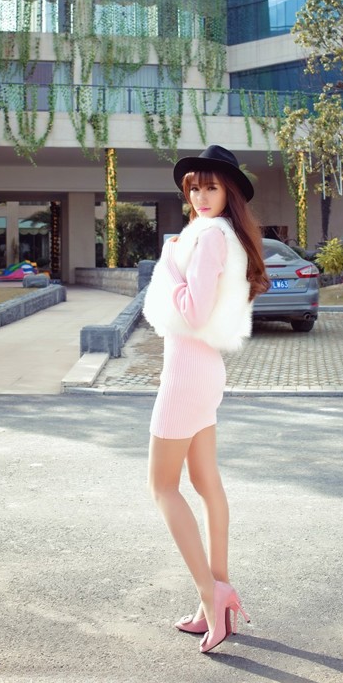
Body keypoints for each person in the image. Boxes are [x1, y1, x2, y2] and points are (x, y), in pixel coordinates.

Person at [143, 144, 269, 654]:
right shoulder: (223, 235)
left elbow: (191, 311)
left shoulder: (209, 238)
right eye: (193, 187)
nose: (200, 195)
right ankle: (213, 598)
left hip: (186, 372)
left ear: (230, 191)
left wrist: (166, 269)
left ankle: (210, 592)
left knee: (162, 487)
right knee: (205, 484)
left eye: (210, 186)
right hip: (203, 370)